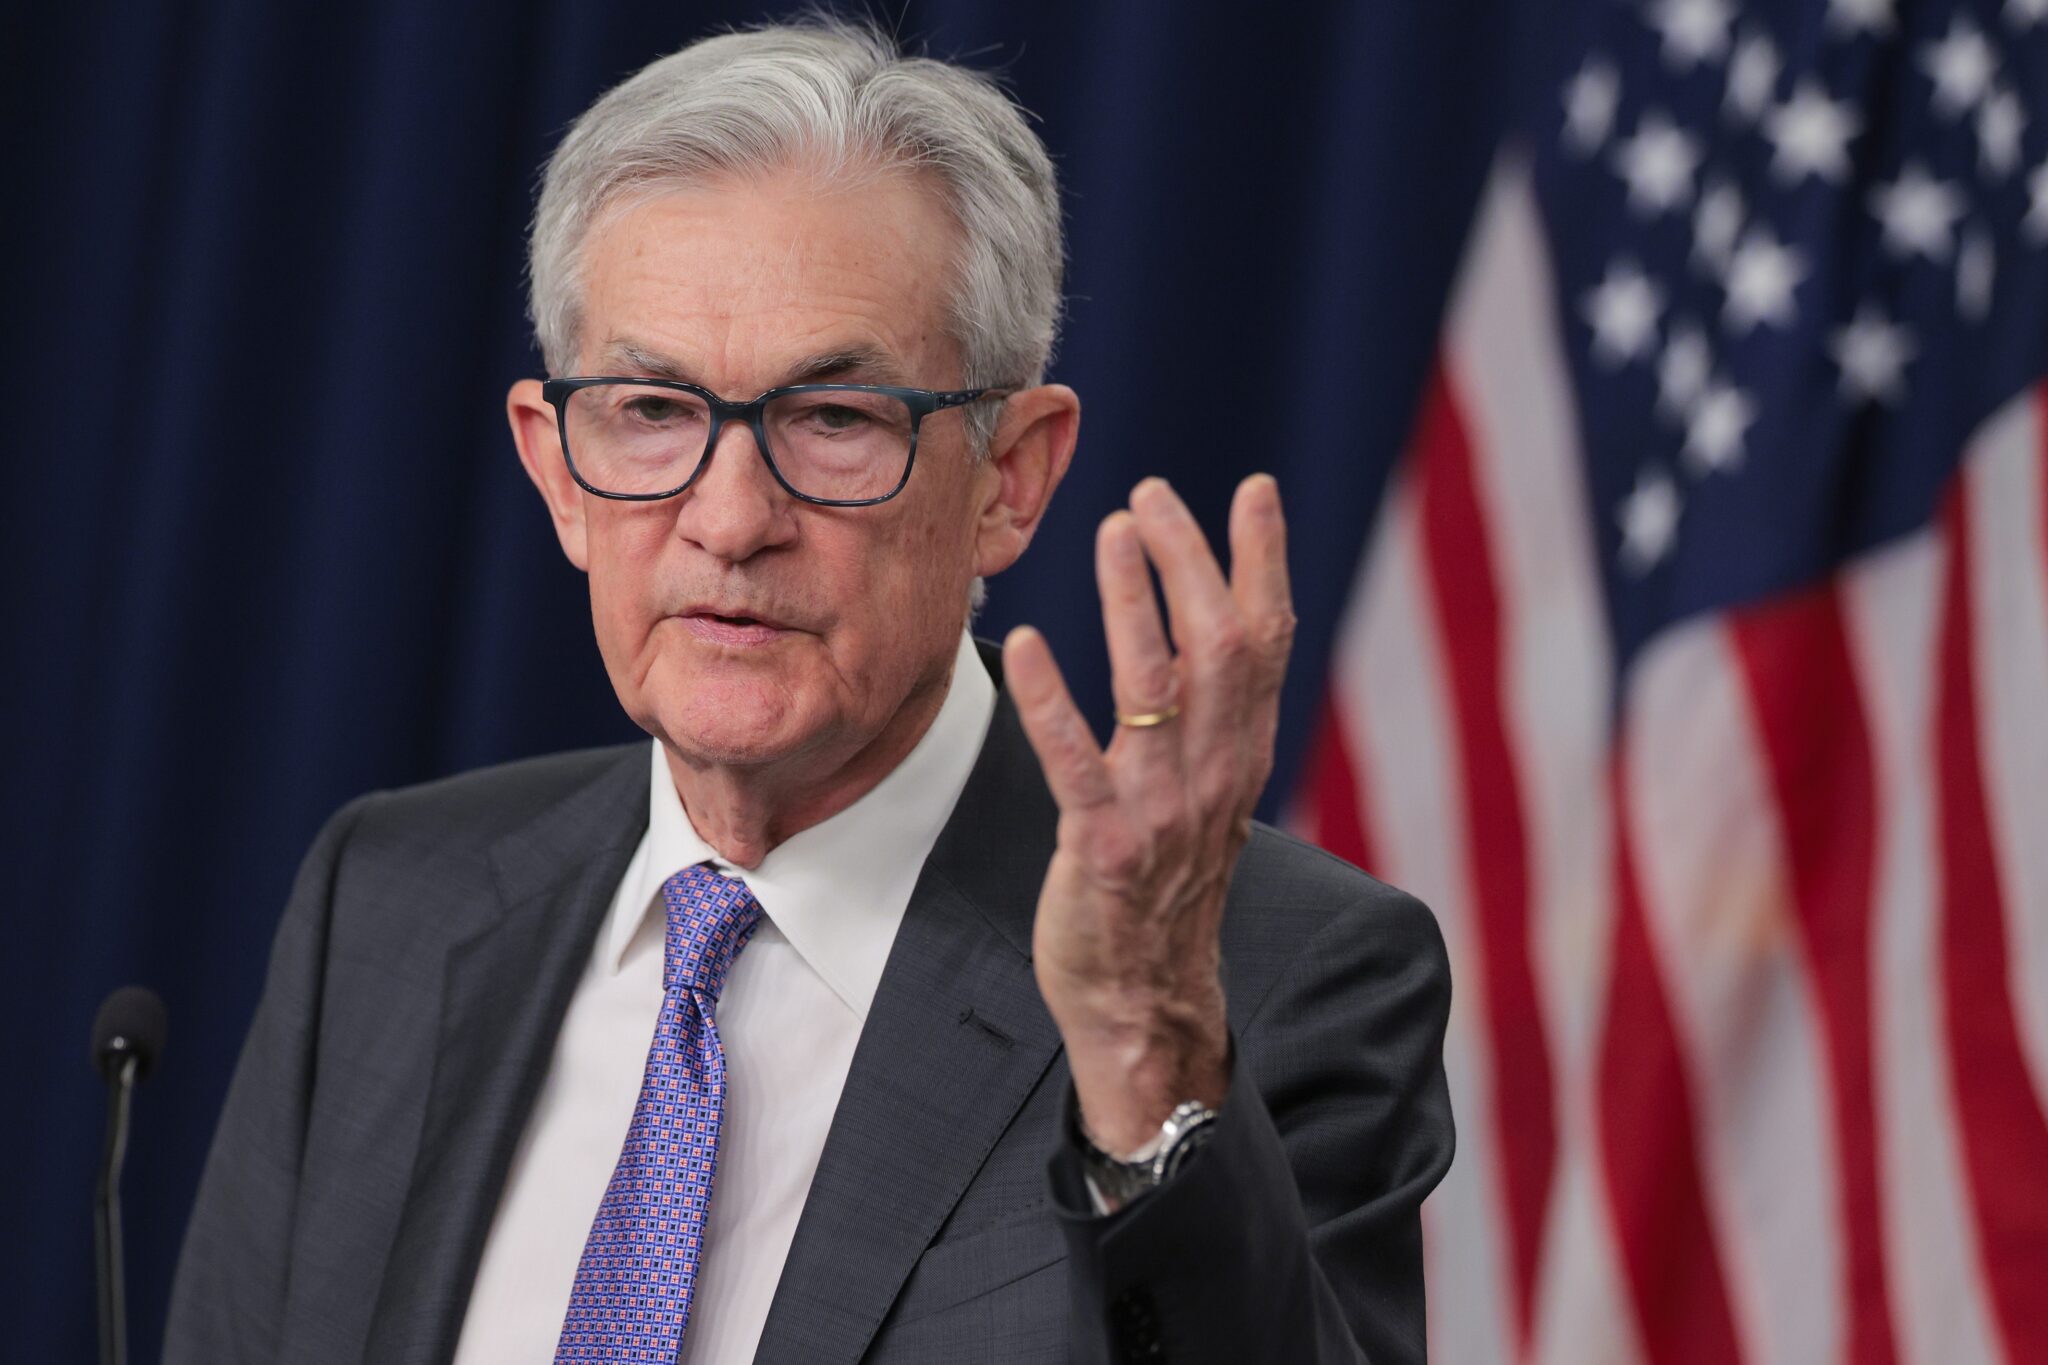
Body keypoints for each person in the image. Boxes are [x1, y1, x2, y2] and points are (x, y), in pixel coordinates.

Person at [165, 18, 1453, 1364]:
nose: (728, 518)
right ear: (555, 466)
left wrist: (1145, 1067)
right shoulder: (385, 901)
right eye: (652, 410)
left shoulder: (1263, 980)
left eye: (833, 421)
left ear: (1009, 475)